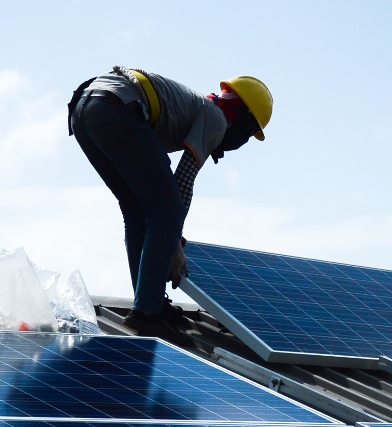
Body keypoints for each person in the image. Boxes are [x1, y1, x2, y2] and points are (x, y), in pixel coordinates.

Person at [67, 67, 272, 345]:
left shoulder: (194, 108)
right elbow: (183, 179)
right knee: (165, 212)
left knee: (137, 209)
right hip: (116, 107)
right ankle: (147, 310)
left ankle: (147, 302)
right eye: (249, 133)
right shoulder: (216, 117)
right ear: (243, 118)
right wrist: (173, 237)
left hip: (86, 110)